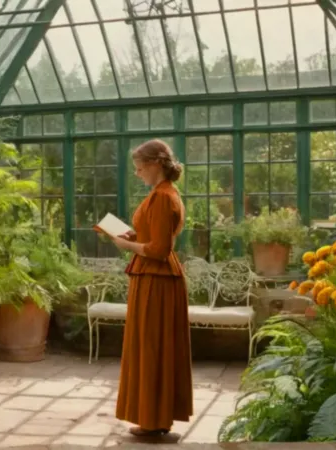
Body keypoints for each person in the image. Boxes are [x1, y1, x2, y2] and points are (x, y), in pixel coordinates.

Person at [108, 139, 193, 440]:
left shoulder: (163, 197)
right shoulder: (163, 195)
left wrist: (125, 244)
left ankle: (154, 418)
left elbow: (158, 249)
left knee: (152, 347)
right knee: (152, 347)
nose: (137, 172)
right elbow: (154, 237)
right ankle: (154, 417)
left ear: (156, 163)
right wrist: (135, 234)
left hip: (156, 280)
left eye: (139, 166)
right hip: (154, 279)